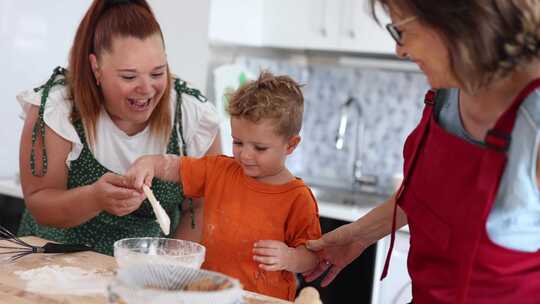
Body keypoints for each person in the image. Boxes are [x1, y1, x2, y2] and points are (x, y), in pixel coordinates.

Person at [305, 0, 540, 303]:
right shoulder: (449, 90)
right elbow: (428, 196)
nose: (399, 50)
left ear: (452, 21)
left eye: (401, 30)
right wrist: (359, 235)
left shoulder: (534, 121)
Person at [16, 0, 220, 256]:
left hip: (147, 273)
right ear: (96, 68)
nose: (146, 89)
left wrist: (166, 270)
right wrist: (94, 198)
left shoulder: (191, 115)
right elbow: (40, 201)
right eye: (129, 77)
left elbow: (200, 209)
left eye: (157, 73)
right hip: (54, 264)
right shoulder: (58, 107)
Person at [125, 71, 322, 301]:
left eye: (259, 148)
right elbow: (177, 167)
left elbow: (312, 258)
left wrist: (290, 258)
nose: (246, 155)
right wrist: (149, 163)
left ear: (291, 145)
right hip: (212, 295)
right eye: (238, 142)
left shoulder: (298, 198)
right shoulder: (220, 170)